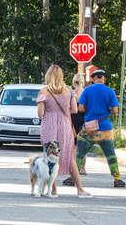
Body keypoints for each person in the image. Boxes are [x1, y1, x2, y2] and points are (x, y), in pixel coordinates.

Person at [36, 65, 91, 197]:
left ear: (48, 76)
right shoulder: (68, 91)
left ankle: (53, 190)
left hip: (49, 125)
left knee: (51, 157)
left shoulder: (44, 93)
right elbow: (74, 110)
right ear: (61, 76)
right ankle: (80, 189)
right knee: (69, 157)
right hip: (65, 126)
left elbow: (40, 113)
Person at [75, 68, 124, 188]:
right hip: (105, 127)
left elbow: (81, 109)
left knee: (80, 153)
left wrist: (91, 110)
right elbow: (115, 110)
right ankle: (117, 178)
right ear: (104, 78)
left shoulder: (87, 90)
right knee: (110, 154)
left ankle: (72, 178)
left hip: (89, 128)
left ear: (93, 78)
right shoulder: (110, 91)